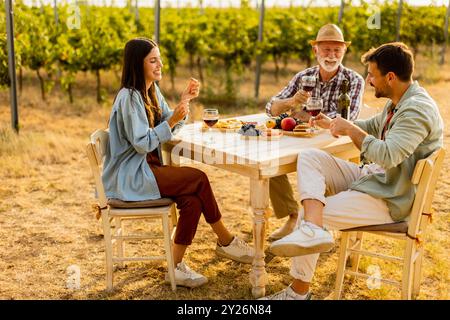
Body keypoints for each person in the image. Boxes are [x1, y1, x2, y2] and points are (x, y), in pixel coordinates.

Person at [262, 42, 443, 300]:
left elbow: (389, 155)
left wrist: (350, 130)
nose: (369, 80)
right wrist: (335, 123)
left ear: (390, 77)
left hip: (391, 197)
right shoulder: (400, 100)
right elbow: (371, 125)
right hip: (377, 178)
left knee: (311, 212)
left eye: (372, 74)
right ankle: (312, 230)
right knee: (310, 157)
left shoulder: (416, 110)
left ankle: (297, 294)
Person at [102, 38, 254, 289]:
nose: (160, 64)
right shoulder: (129, 97)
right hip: (132, 175)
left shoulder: (150, 90)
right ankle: (226, 241)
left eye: (159, 58)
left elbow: (169, 123)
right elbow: (142, 143)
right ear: (136, 65)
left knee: (192, 201)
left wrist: (183, 103)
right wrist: (171, 120)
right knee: (199, 178)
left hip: (148, 168)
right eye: (153, 60)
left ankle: (174, 268)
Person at [265, 24, 365, 241]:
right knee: (271, 156)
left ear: (344, 52)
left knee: (315, 165)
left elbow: (350, 119)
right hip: (304, 139)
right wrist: (292, 101)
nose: (331, 55)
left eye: (336, 50)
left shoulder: (354, 80)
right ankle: (293, 216)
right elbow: (270, 108)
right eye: (326, 50)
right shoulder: (304, 77)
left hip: (336, 143)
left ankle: (318, 222)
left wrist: (306, 116)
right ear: (316, 51)